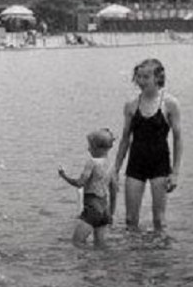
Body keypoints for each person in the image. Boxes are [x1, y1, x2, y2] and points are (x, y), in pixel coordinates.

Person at [114, 58, 182, 232]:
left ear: (158, 78)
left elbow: (178, 138)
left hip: (160, 164)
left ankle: (157, 258)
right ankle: (134, 258)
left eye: (146, 77)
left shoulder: (170, 104)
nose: (141, 81)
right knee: (130, 220)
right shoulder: (130, 105)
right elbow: (124, 139)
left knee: (159, 220)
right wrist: (115, 170)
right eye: (139, 77)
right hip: (136, 164)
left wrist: (175, 172)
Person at [58, 128, 118, 249]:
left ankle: (86, 264)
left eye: (90, 146)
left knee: (77, 242)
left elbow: (80, 183)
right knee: (100, 245)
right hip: (104, 210)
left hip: (92, 209)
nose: (88, 149)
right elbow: (114, 190)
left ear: (97, 148)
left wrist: (64, 175)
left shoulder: (92, 162)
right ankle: (101, 264)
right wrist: (111, 213)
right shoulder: (112, 165)